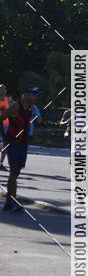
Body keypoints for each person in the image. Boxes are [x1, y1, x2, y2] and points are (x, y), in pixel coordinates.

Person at [0, 84, 39, 212]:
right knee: (13, 172)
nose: (35, 97)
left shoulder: (31, 107)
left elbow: (39, 121)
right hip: (13, 143)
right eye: (33, 94)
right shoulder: (16, 106)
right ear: (26, 94)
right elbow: (2, 118)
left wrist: (34, 112)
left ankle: (10, 201)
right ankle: (10, 203)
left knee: (16, 172)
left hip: (23, 144)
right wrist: (4, 136)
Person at [0, 85, 9, 171]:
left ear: (6, 91)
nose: (1, 91)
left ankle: (1, 163)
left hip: (5, 125)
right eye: (0, 89)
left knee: (5, 145)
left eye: (3, 89)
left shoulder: (7, 100)